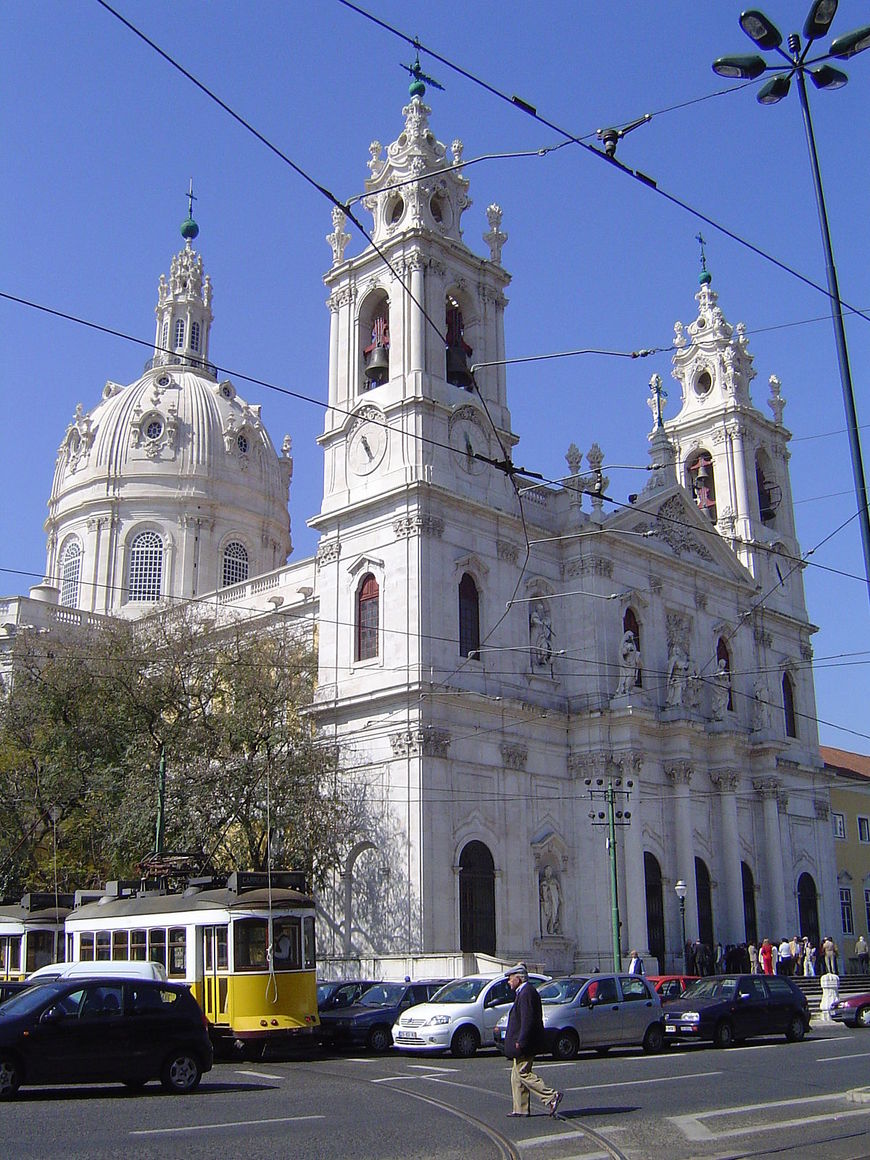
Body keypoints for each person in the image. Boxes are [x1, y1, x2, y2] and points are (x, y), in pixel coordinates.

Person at [503, 963, 563, 1118]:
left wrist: (521, 1040)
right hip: (523, 1039)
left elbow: (528, 1020)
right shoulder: (523, 992)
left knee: (522, 1073)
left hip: (526, 1041)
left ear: (518, 978)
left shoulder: (527, 993)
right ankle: (520, 1108)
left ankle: (551, 1096)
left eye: (510, 979)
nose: (508, 982)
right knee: (516, 1076)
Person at [539, 866, 563, 935]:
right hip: (546, 902)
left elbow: (558, 889)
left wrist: (560, 897)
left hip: (554, 900)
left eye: (550, 871)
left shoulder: (554, 881)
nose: (548, 872)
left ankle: (552, 929)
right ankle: (547, 929)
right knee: (548, 914)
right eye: (547, 870)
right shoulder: (543, 882)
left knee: (554, 914)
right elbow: (540, 892)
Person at [616, 630, 641, 695]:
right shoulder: (625, 645)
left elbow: (635, 653)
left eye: (632, 636)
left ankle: (629, 689)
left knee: (632, 676)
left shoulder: (633, 645)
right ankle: (626, 690)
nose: (632, 638)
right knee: (628, 676)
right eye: (631, 636)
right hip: (627, 664)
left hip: (633, 664)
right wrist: (627, 650)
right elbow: (623, 652)